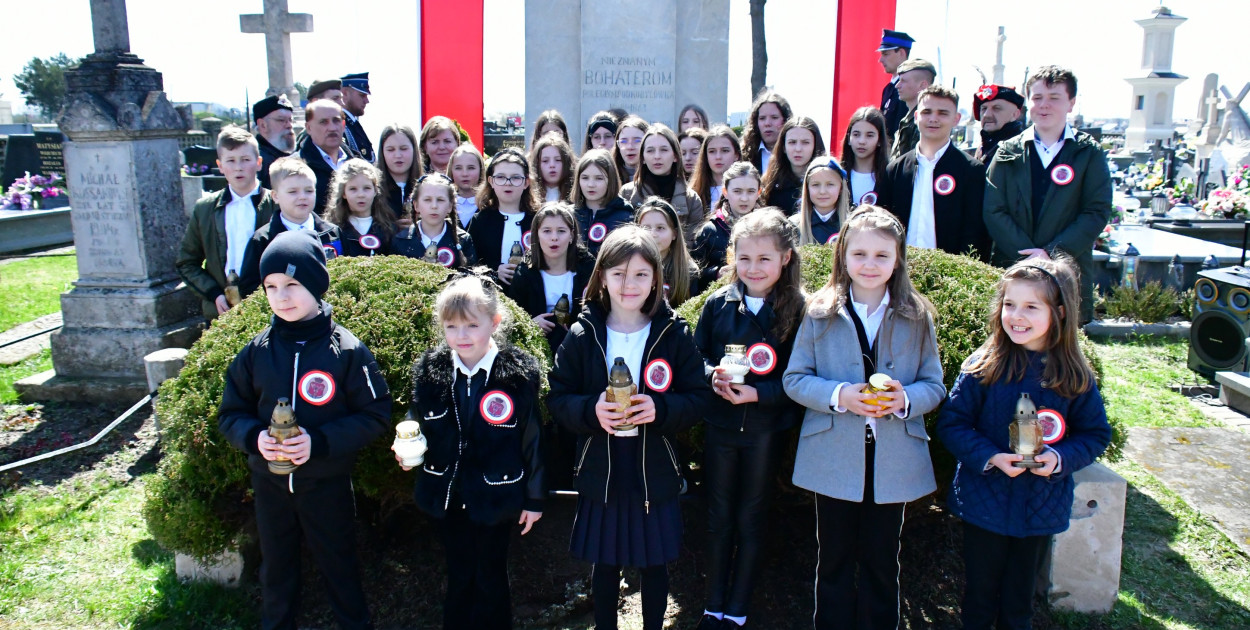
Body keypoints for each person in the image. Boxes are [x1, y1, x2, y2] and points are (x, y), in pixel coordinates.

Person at [218, 229, 391, 630]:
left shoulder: (346, 350)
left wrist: (321, 442)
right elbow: (230, 413)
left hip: (326, 485)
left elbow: (376, 414)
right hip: (270, 487)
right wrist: (253, 438)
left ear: (315, 284)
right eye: (271, 286)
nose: (281, 296)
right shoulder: (256, 352)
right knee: (276, 570)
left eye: (292, 284)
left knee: (339, 567)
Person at [782, 205, 945, 630]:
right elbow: (795, 379)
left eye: (882, 255)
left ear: (898, 260)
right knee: (833, 558)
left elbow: (934, 385)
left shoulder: (916, 315)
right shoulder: (819, 312)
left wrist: (905, 399)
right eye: (859, 254)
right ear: (843, 256)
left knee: (882, 559)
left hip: (893, 458)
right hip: (835, 455)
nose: (870, 264)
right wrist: (840, 395)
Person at [547, 225, 713, 630]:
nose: (629, 284)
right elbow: (558, 397)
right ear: (601, 276)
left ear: (656, 279)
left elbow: (698, 397)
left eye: (641, 274)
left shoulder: (673, 333)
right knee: (605, 565)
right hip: (601, 467)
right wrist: (591, 411)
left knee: (654, 564)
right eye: (618, 274)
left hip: (653, 467)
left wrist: (661, 407)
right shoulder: (583, 334)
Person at [936, 258, 1111, 630]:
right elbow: (952, 423)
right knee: (979, 598)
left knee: (1019, 604)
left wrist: (1059, 459)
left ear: (1059, 312)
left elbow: (1095, 434)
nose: (1016, 315)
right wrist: (991, 457)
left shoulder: (1073, 375)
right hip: (985, 505)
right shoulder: (983, 365)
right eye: (1009, 304)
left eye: (1031, 306)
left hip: (1040, 509)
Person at [401, 273, 545, 630]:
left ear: (494, 323)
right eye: (451, 327)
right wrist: (406, 443)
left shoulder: (514, 376)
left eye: (471, 325)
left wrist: (535, 498)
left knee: (491, 575)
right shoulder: (432, 373)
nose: (461, 336)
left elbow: (532, 438)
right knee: (459, 573)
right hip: (449, 495)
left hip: (497, 493)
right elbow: (416, 418)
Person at [692, 209, 805, 630]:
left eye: (764, 259)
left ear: (785, 258)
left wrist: (761, 394)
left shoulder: (801, 309)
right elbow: (696, 357)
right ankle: (713, 604)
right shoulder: (718, 303)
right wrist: (711, 376)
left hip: (765, 431)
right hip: (721, 427)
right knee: (718, 515)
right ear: (732, 258)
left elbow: (802, 378)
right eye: (744, 259)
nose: (753, 268)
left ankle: (738, 607)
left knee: (751, 516)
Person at [983, 65, 1111, 323]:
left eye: (1054, 98)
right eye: (1037, 97)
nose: (1044, 105)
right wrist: (1028, 256)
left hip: (1066, 271)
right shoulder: (1008, 151)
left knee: (1063, 338)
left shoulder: (1088, 153)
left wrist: (1050, 254)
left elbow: (1096, 211)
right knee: (1014, 332)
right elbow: (994, 209)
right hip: (1014, 267)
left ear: (1071, 103)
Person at [878, 85, 990, 260]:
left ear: (956, 119)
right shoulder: (895, 169)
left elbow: (975, 231)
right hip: (899, 267)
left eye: (942, 113)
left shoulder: (971, 170)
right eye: (927, 112)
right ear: (916, 116)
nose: (933, 119)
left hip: (949, 270)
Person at [177, 126, 277, 320]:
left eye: (245, 160)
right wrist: (213, 294)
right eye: (230, 161)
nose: (238, 167)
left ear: (258, 163)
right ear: (220, 165)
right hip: (222, 312)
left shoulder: (276, 205)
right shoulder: (205, 209)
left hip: (269, 308)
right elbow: (187, 262)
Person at [239, 158, 343, 296]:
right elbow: (249, 288)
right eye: (293, 192)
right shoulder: (263, 239)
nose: (302, 197)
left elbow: (347, 273)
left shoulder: (333, 233)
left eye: (309, 190)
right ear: (275, 196)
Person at [507, 202, 596, 353]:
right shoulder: (524, 272)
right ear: (537, 235)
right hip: (536, 349)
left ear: (571, 235)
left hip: (580, 349)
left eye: (561, 231)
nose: (554, 238)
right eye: (547, 231)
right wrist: (530, 324)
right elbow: (512, 318)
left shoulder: (588, 268)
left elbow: (598, 312)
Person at [620, 124, 705, 246]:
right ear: (642, 158)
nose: (657, 156)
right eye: (650, 150)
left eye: (664, 150)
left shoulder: (691, 199)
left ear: (675, 156)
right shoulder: (626, 193)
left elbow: (691, 243)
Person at [468, 148, 538, 285]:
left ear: (526, 183)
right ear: (491, 181)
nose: (508, 182)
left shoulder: (538, 219)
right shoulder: (481, 220)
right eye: (500, 177)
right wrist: (493, 271)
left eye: (515, 177)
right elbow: (470, 262)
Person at [691, 161, 763, 286]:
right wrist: (716, 273)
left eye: (751, 191)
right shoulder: (710, 230)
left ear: (759, 192)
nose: (744, 198)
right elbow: (694, 275)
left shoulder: (768, 228)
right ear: (725, 192)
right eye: (737, 191)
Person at [391, 172, 477, 268]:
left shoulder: (463, 240)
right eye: (427, 200)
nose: (434, 206)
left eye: (440, 200)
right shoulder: (401, 240)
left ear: (450, 206)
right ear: (416, 205)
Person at [323, 159, 396, 257]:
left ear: (375, 191)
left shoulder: (388, 229)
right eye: (353, 189)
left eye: (367, 188)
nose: (361, 195)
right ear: (343, 193)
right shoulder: (333, 231)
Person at [636, 197, 700, 308]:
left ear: (674, 234)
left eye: (660, 228)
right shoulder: (627, 267)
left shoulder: (689, 272)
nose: (653, 234)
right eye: (646, 228)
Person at [571, 149, 633, 258]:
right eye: (585, 178)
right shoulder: (569, 216)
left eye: (599, 178)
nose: (591, 184)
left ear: (611, 180)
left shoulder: (625, 217)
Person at [760, 116, 827, 216]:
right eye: (792, 142)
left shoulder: (829, 181)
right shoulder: (769, 185)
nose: (798, 149)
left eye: (805, 142)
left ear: (815, 146)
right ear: (783, 147)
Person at [297, 99, 352, 215]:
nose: (332, 128)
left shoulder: (357, 163)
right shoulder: (297, 168)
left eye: (336, 121)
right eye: (323, 122)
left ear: (343, 125)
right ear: (309, 128)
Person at [793, 157, 851, 246]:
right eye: (816, 185)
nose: (822, 191)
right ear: (807, 188)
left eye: (830, 184)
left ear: (841, 188)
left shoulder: (852, 226)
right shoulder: (794, 226)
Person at [840, 107, 891, 207]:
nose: (862, 141)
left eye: (869, 135)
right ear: (849, 138)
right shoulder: (837, 174)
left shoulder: (890, 177)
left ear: (880, 140)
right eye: (856, 134)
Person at [888, 58, 936, 161]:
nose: (897, 85)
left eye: (903, 81)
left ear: (923, 85)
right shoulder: (908, 119)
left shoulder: (924, 122)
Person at [690, 125, 744, 213]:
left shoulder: (748, 190)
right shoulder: (693, 193)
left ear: (736, 155)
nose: (718, 157)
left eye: (725, 150)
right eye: (712, 151)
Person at [973, 84, 1027, 163]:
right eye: (984, 108)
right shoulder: (982, 148)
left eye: (996, 108)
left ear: (1014, 114)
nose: (986, 115)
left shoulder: (1023, 150)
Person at [741, 90, 792, 174]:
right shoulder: (745, 155)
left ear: (785, 120)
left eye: (774, 117)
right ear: (756, 122)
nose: (767, 123)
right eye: (762, 118)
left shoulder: (794, 153)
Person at [876, 29, 916, 137]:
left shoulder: (910, 88)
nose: (880, 60)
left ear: (901, 53)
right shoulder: (888, 89)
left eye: (885, 54)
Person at [252, 94, 296, 190]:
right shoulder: (256, 161)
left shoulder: (292, 156)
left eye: (290, 120)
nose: (289, 125)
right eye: (281, 120)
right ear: (263, 125)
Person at [531, 132, 576, 202]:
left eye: (558, 160)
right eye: (545, 161)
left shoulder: (576, 195)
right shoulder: (530, 196)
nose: (552, 165)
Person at [339, 72, 374, 162]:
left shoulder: (354, 125)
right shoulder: (341, 126)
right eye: (362, 95)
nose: (367, 101)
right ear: (345, 93)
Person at [450, 143, 485, 228]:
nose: (464, 174)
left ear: (480, 170)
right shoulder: (445, 203)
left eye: (471, 168)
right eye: (458, 168)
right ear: (451, 170)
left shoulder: (490, 205)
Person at [613, 116, 649, 182]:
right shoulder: (609, 177)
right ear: (618, 145)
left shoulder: (659, 176)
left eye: (637, 141)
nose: (630, 147)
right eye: (624, 141)